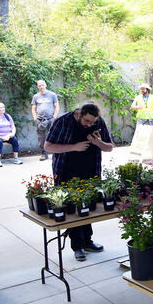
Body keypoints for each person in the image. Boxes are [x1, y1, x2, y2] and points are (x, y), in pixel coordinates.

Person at [45, 103, 113, 261]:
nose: (89, 125)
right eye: (87, 121)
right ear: (80, 114)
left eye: (92, 122)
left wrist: (97, 142)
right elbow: (48, 147)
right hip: (66, 172)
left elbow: (109, 147)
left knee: (87, 208)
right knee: (71, 210)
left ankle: (88, 241)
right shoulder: (62, 122)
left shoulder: (99, 122)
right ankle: (77, 245)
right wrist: (74, 147)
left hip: (90, 172)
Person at [31, 80, 59, 161]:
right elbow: (33, 109)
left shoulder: (52, 95)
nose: (41, 87)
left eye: (43, 85)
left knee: (53, 136)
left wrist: (54, 117)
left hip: (50, 119)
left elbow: (57, 107)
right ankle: (44, 154)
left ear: (45, 85)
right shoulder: (35, 96)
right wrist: (35, 119)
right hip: (40, 120)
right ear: (37, 86)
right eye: (40, 85)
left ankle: (56, 153)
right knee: (41, 138)